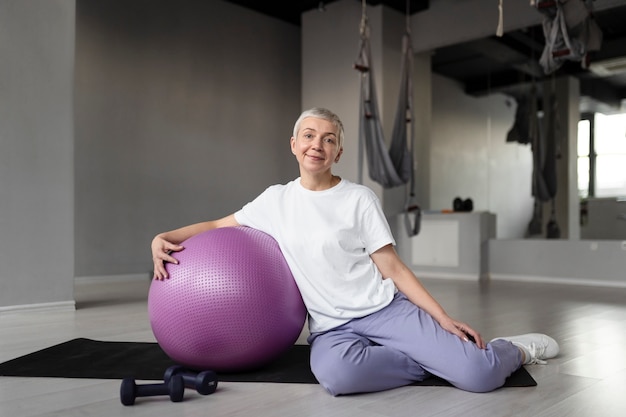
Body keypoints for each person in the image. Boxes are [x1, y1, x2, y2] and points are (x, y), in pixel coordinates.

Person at [151, 107, 559, 395]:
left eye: (329, 139)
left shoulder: (359, 198)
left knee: (478, 376)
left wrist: (443, 318)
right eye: (309, 136)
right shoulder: (274, 201)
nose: (318, 145)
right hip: (331, 327)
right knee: (337, 379)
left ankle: (517, 349)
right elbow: (217, 226)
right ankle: (430, 361)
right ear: (294, 144)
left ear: (338, 153)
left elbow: (393, 268)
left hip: (384, 310)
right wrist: (163, 236)